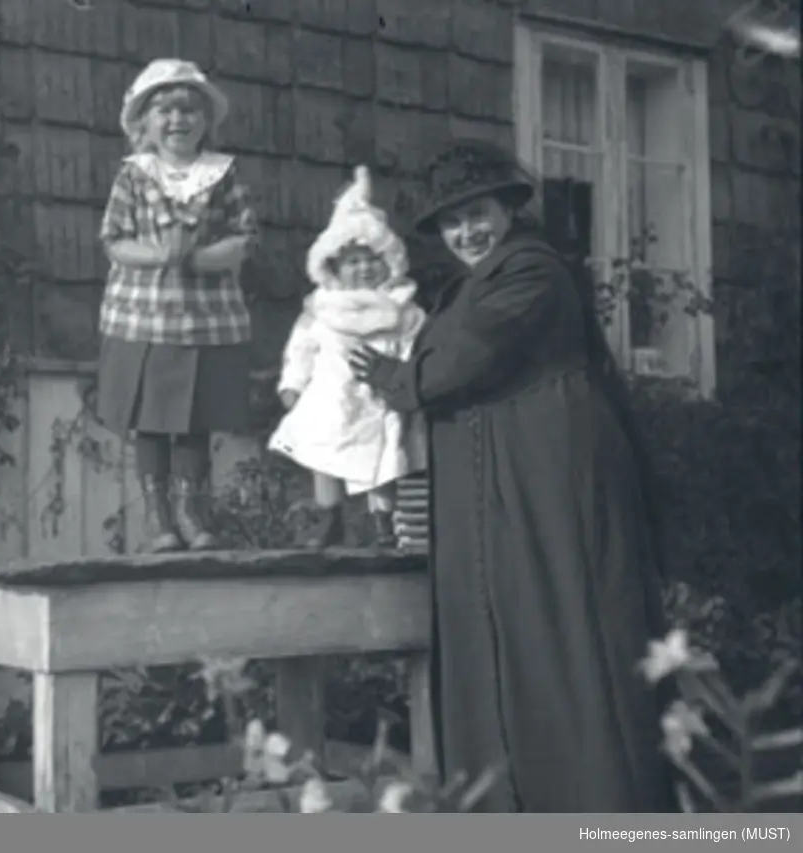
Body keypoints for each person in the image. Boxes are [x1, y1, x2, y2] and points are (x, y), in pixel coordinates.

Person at [348, 139, 675, 812]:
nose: (467, 232)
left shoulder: (533, 271)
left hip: (548, 482)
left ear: (507, 209)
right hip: (501, 482)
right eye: (452, 221)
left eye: (479, 213)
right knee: (512, 639)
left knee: (565, 633)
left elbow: (464, 360)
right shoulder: (470, 284)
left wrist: (395, 379)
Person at [96, 59, 259, 553]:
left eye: (189, 110)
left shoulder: (223, 175)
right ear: (143, 122)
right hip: (143, 313)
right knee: (150, 417)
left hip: (204, 315)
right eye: (164, 110)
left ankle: (190, 510)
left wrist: (199, 257)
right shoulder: (133, 176)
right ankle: (157, 514)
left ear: (206, 121)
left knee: (194, 416)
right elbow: (114, 239)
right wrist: (158, 256)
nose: (177, 121)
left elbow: (244, 237)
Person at [268, 166, 427, 549]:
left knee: (384, 459)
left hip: (379, 396)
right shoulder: (323, 310)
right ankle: (330, 515)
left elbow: (414, 347)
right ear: (334, 268)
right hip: (330, 396)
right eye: (353, 261)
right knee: (324, 451)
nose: (364, 268)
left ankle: (382, 519)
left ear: (389, 262)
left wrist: (404, 380)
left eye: (372, 259)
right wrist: (293, 384)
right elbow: (301, 349)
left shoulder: (402, 310)